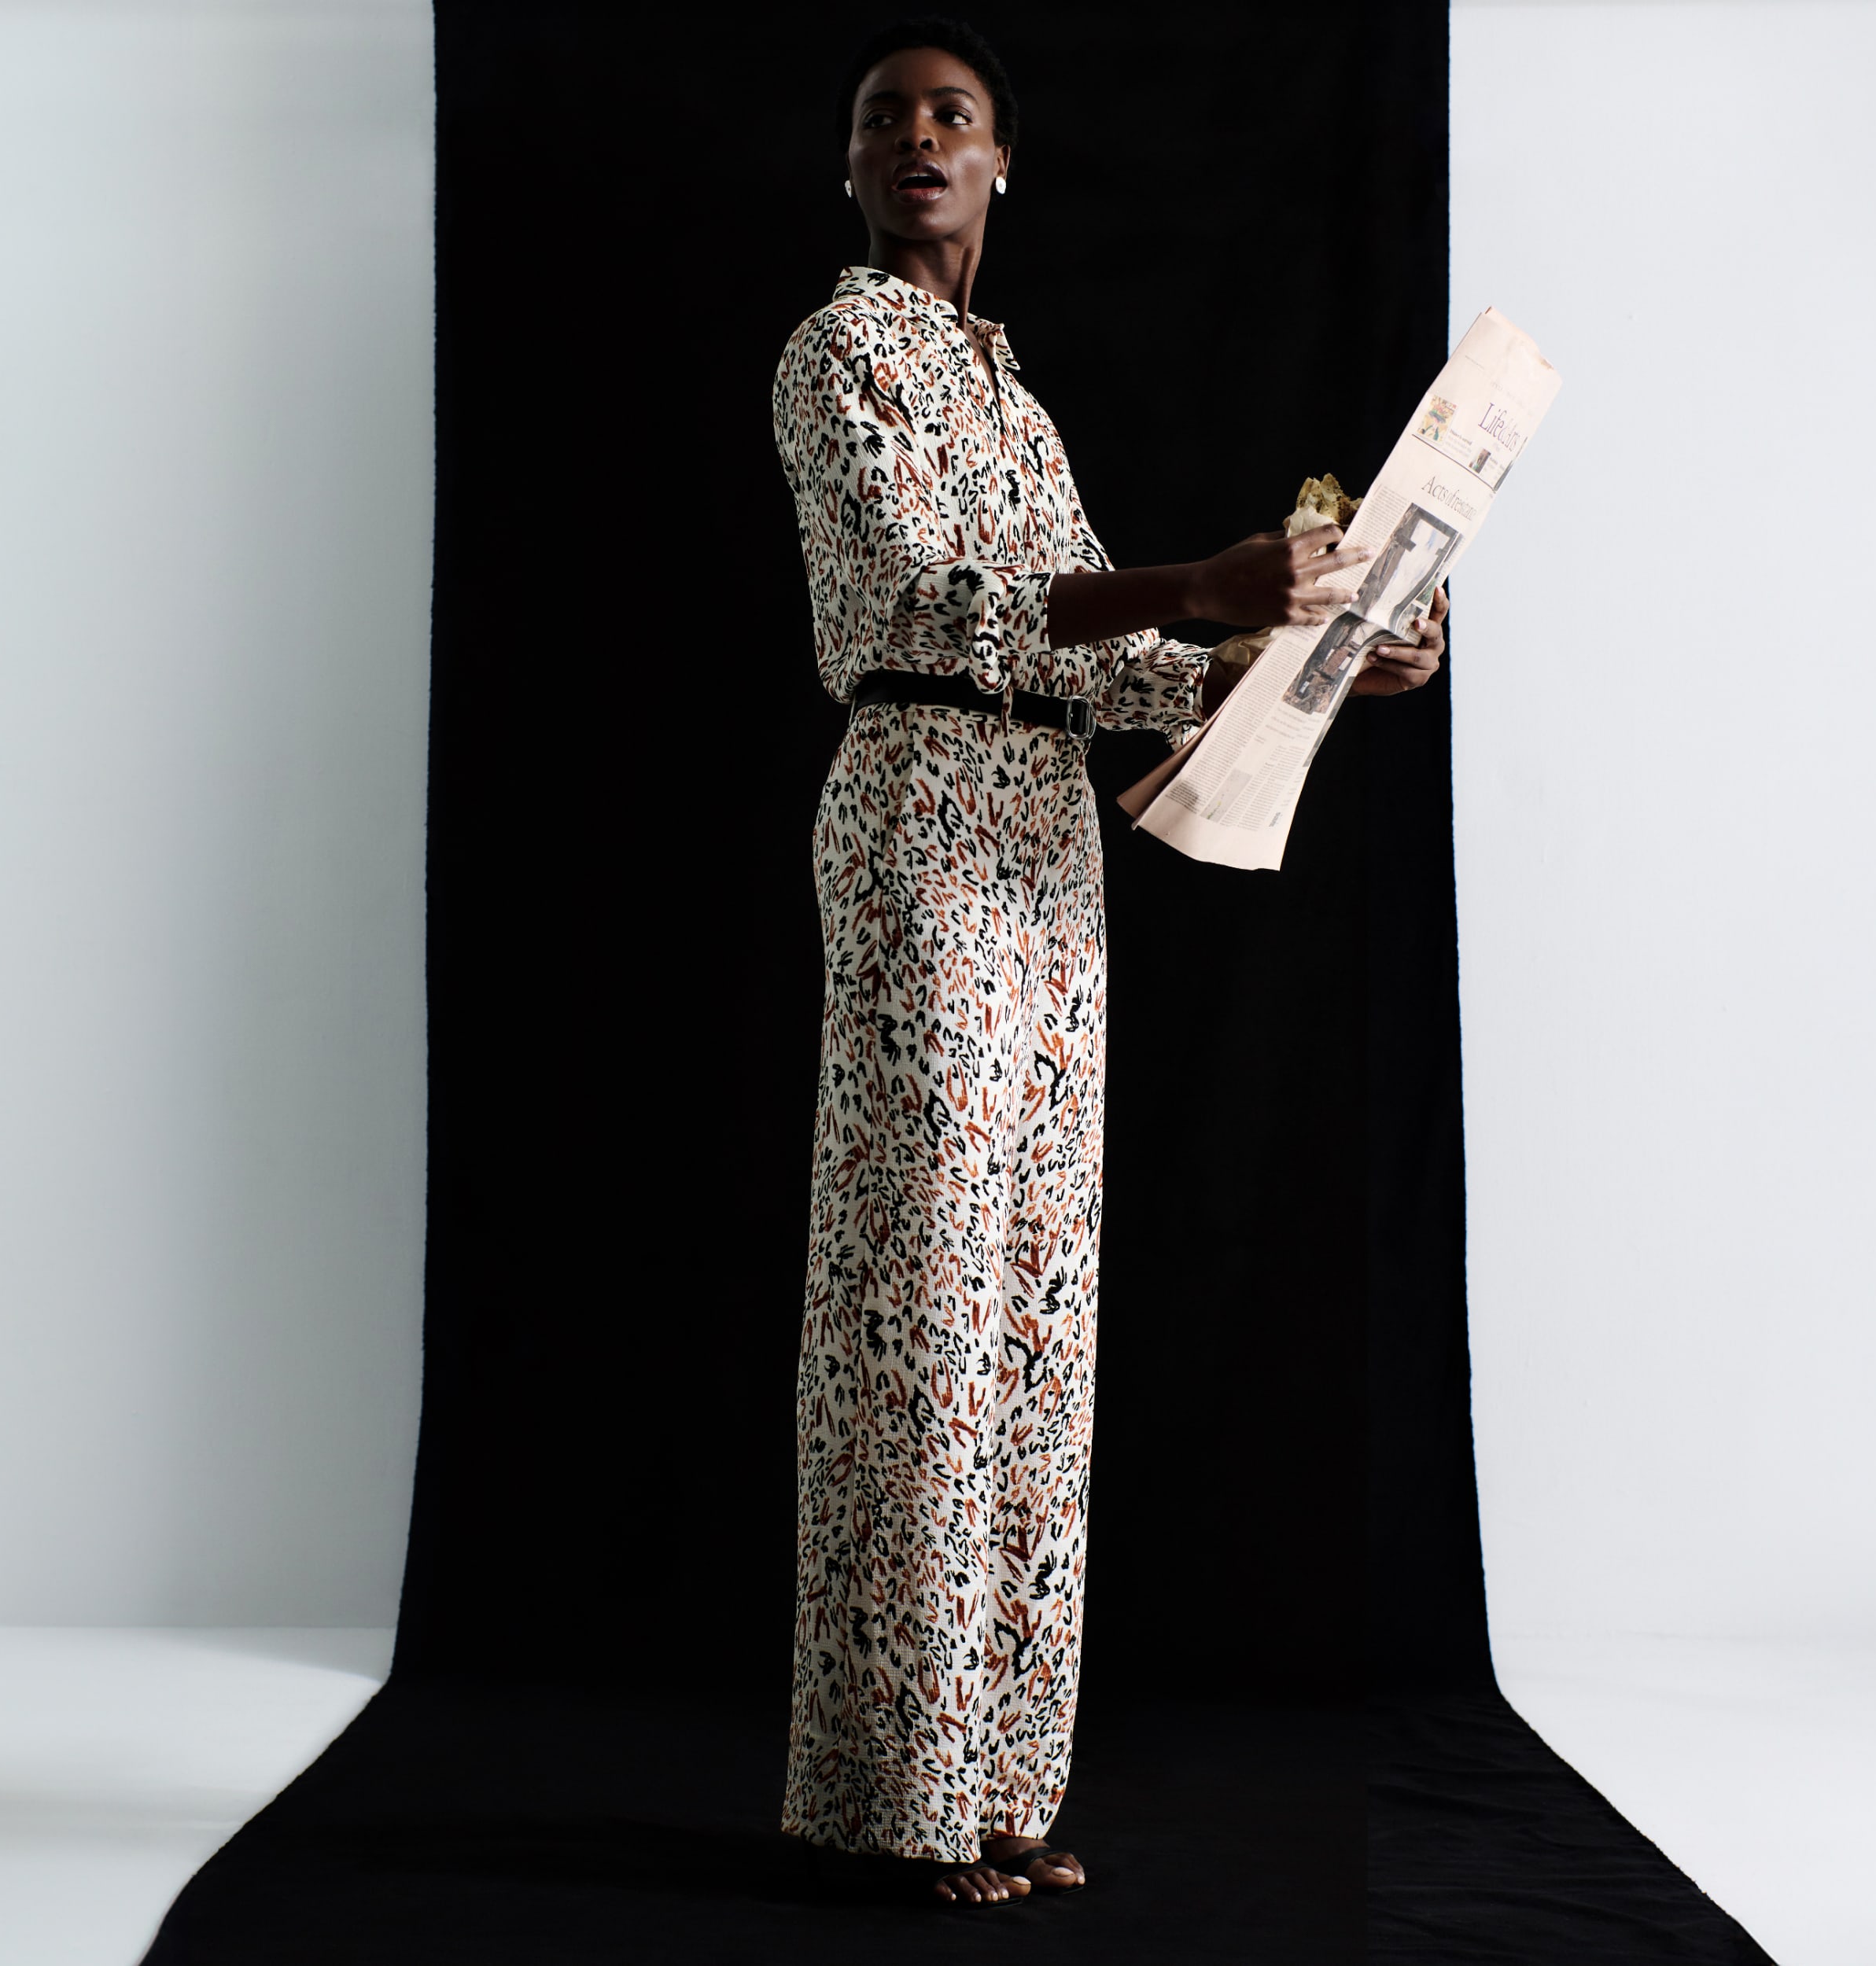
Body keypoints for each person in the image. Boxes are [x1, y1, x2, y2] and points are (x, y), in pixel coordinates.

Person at [771, 17, 1447, 1910]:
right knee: (920, 1314)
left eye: (955, 116)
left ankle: (995, 1791)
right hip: (917, 817)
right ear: (850, 172)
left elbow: (1111, 668)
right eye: (885, 120)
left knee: (1032, 1312)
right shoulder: (842, 353)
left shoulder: (1013, 397)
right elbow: (925, 601)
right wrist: (1199, 587)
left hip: (1042, 843)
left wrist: (1313, 652)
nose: (920, 138)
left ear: (1003, 168)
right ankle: (884, 1801)